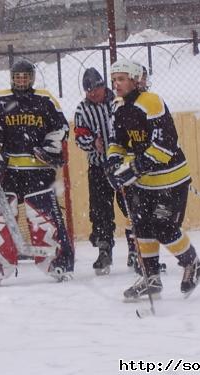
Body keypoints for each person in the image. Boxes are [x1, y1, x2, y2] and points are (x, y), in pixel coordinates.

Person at [106, 59, 200, 299]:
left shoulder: (151, 101)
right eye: (114, 79)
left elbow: (165, 144)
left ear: (136, 80)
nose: (116, 84)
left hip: (171, 179)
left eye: (121, 79)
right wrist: (113, 162)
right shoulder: (119, 107)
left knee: (164, 227)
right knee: (140, 226)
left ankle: (192, 264)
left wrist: (137, 167)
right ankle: (151, 278)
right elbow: (117, 142)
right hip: (143, 183)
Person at [0, 59, 74, 286]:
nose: (21, 80)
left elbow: (60, 129)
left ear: (32, 77)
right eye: (17, 77)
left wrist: (50, 148)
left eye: (25, 76)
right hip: (8, 172)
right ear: (12, 77)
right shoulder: (0, 100)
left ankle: (57, 262)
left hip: (38, 172)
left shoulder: (45, 99)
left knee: (45, 217)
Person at [73, 67, 137, 275]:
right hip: (99, 168)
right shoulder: (82, 109)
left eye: (96, 89)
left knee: (132, 208)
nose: (93, 94)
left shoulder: (119, 102)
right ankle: (104, 251)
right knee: (100, 211)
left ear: (103, 86)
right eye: (88, 91)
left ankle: (137, 249)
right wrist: (92, 141)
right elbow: (79, 136)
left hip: (123, 165)